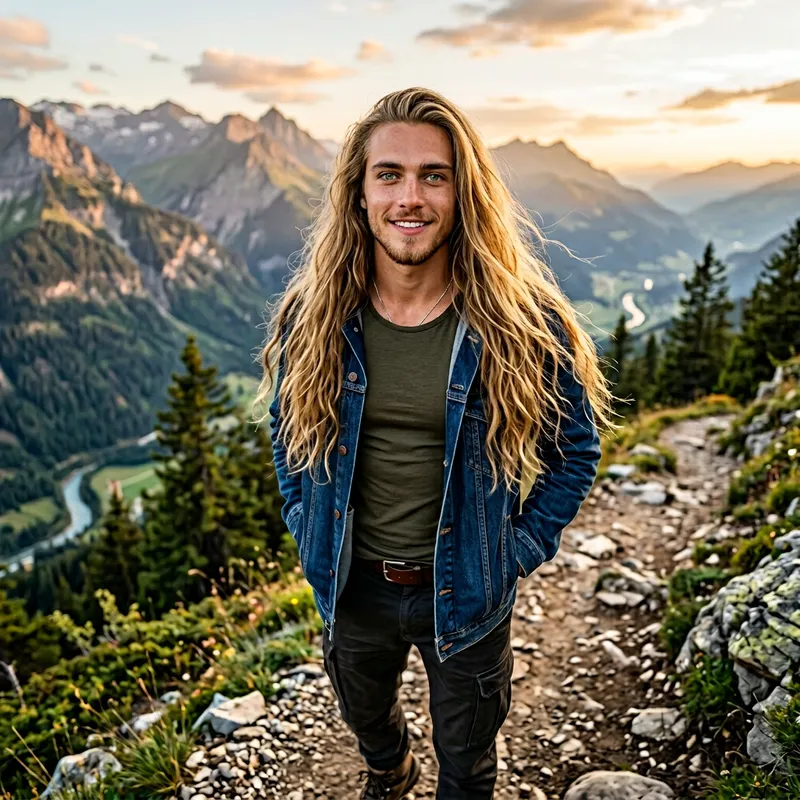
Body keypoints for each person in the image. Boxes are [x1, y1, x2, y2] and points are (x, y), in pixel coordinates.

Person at [256, 87, 613, 799]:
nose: (409, 197)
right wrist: (303, 524)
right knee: (367, 719)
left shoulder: (522, 321)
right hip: (351, 583)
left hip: (471, 589)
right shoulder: (316, 314)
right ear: (359, 193)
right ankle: (390, 769)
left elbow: (576, 451)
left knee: (469, 765)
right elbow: (286, 430)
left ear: (462, 193)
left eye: (433, 175)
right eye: (388, 174)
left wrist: (516, 551)